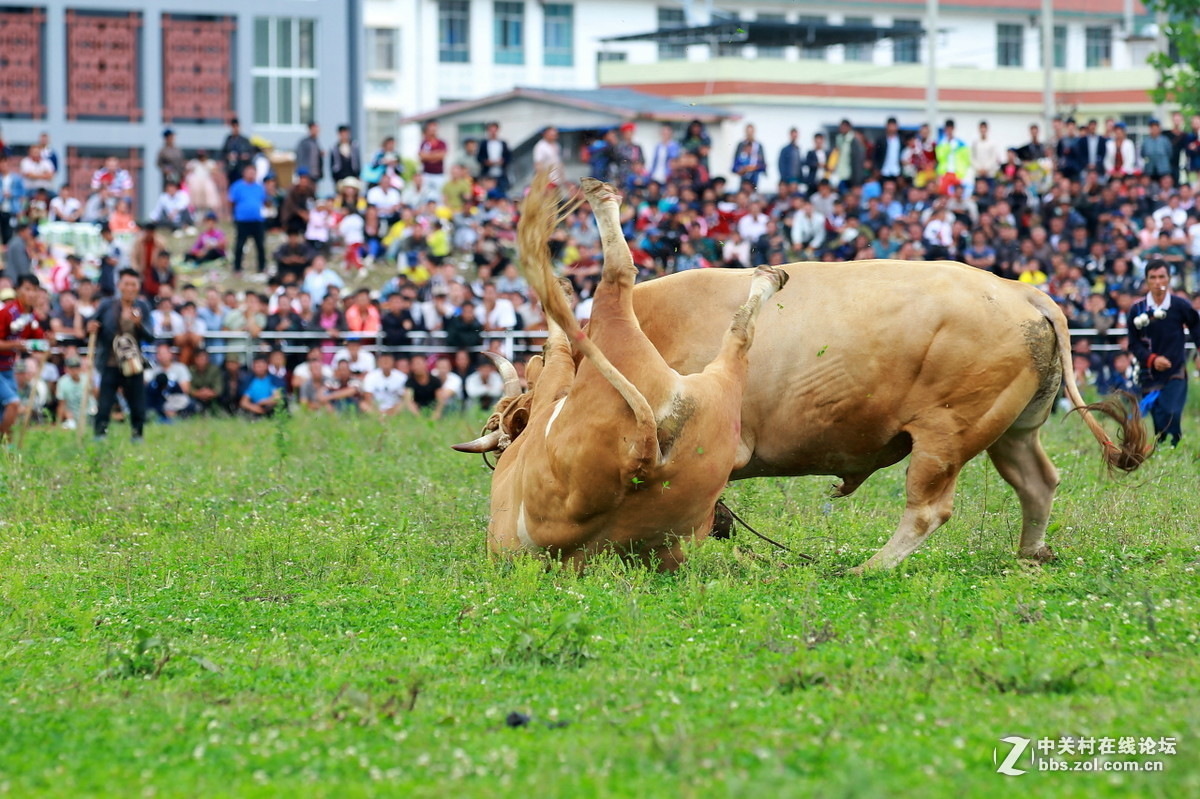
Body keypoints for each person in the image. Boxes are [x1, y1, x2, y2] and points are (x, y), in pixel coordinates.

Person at [1127, 260, 1200, 447]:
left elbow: (1196, 327)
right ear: (1146, 280)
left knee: (1172, 411)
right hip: (1149, 372)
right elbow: (1134, 344)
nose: (1158, 281)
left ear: (1169, 279)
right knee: (1159, 416)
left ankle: (1174, 446)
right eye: (1153, 277)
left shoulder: (1180, 306)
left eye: (1162, 276)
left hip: (1176, 370)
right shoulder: (1137, 309)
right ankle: (1163, 450)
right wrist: (1152, 359)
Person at [88, 269, 154, 441]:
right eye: (127, 284)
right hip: (110, 362)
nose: (130, 288)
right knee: (105, 403)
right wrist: (92, 327)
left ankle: (137, 436)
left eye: (134, 284)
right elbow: (92, 324)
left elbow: (151, 336)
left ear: (138, 287)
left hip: (133, 363)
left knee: (137, 404)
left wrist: (139, 325)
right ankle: (99, 436)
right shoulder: (107, 304)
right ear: (119, 285)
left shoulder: (143, 306)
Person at [0, 274, 47, 443]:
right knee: (13, 404)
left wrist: (47, 342)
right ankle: (6, 445)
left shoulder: (31, 316)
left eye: (35, 290)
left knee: (7, 411)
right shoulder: (7, 313)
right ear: (18, 290)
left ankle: (7, 453)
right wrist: (16, 345)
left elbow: (40, 341)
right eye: (27, 289)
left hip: (7, 368)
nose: (31, 294)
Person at [228, 164, 267, 273]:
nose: (251, 175)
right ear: (244, 173)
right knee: (240, 245)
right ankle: (237, 268)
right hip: (242, 220)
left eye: (253, 172)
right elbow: (231, 202)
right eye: (249, 172)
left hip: (257, 220)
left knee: (260, 245)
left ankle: (262, 267)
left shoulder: (259, 187)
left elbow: (264, 201)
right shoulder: (237, 186)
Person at [145, 342, 193, 422]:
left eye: (164, 353)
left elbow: (185, 389)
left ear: (170, 354)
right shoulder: (153, 371)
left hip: (175, 400)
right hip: (158, 401)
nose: (162, 356)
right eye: (159, 354)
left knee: (189, 403)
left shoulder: (180, 368)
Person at [361, 351, 407, 416]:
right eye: (383, 361)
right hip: (376, 408)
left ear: (393, 362)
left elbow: (404, 397)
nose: (385, 363)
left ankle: (388, 417)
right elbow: (368, 398)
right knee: (363, 405)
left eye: (388, 361)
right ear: (378, 362)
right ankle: (379, 417)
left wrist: (391, 410)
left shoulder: (401, 377)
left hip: (394, 408)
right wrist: (378, 411)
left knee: (403, 404)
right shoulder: (370, 376)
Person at [477, 121, 512, 195]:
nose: (493, 132)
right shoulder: (484, 143)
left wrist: (503, 161)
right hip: (487, 174)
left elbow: (509, 157)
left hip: (500, 174)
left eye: (494, 130)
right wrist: (486, 162)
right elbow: (479, 157)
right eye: (491, 130)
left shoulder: (503, 143)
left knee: (502, 193)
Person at [221, 117, 254, 185]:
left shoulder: (244, 141)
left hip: (241, 170)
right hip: (231, 170)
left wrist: (242, 156)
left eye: (236, 126)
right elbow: (223, 154)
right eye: (233, 126)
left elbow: (250, 155)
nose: (235, 129)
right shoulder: (229, 140)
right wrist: (229, 156)